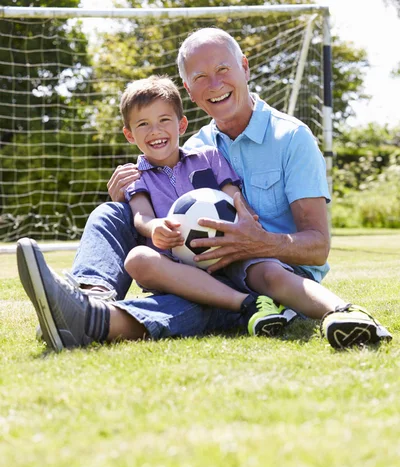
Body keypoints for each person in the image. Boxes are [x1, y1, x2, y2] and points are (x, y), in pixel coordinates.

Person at [16, 28, 392, 352]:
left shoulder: (292, 138)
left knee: (201, 304)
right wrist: (129, 199)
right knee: (112, 211)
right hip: (201, 267)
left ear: (244, 68)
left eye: (223, 70)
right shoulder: (192, 147)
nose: (214, 85)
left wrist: (257, 242)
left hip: (272, 275)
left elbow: (317, 245)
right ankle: (89, 295)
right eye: (200, 77)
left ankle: (91, 321)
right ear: (188, 90)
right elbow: (153, 219)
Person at [118, 74, 295, 335]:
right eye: (143, 124)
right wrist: (156, 227)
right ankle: (249, 304)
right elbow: (141, 216)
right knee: (137, 259)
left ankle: (273, 301)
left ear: (181, 125)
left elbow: (233, 195)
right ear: (129, 134)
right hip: (177, 271)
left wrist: (246, 219)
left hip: (225, 256)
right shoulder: (137, 175)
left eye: (164, 120)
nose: (155, 131)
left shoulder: (208, 157)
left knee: (264, 268)